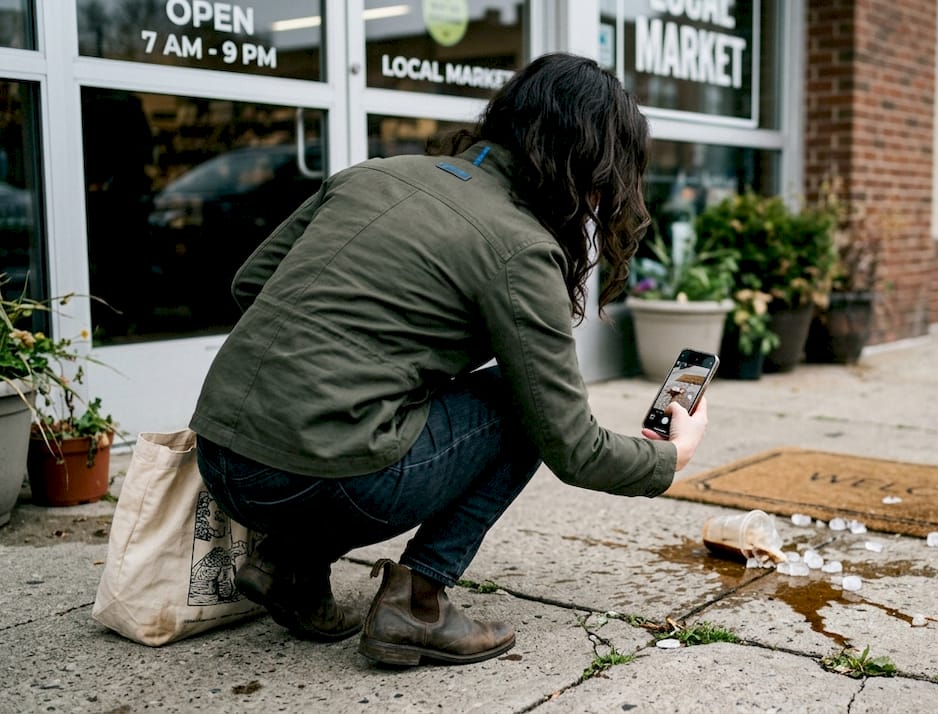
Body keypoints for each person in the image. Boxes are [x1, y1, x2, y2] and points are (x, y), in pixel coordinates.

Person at [190, 53, 709, 667]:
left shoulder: (371, 174)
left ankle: (289, 567)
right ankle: (418, 604)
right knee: (521, 407)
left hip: (222, 458)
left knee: (390, 412)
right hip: (321, 480)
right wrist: (669, 456)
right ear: (586, 164)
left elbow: (251, 285)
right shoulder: (521, 245)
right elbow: (572, 446)